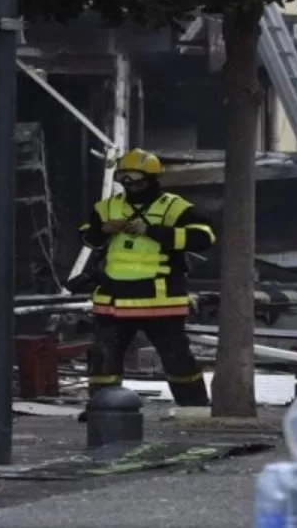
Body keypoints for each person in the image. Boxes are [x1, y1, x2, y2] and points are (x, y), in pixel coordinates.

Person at [75, 148, 215, 407]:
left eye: (135, 178)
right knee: (104, 358)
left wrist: (152, 231)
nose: (128, 183)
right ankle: (103, 409)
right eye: (123, 177)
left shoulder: (174, 207)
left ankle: (194, 409)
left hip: (159, 301)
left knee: (176, 358)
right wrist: (102, 229)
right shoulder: (107, 207)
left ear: (151, 178)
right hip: (113, 300)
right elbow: (86, 236)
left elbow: (204, 237)